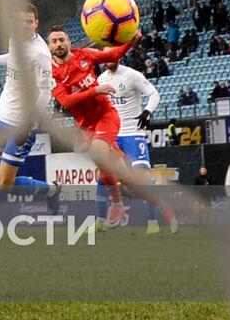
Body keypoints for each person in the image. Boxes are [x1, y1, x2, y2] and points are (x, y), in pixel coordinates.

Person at [48, 28, 177, 234]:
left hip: (106, 116)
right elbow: (66, 101)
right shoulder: (51, 74)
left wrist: (131, 42)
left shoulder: (84, 56)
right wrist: (95, 90)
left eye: (62, 39)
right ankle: (162, 207)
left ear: (69, 42)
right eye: (54, 41)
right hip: (86, 125)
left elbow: (112, 55)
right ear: (49, 47)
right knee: (127, 179)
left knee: (100, 155)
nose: (58, 44)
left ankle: (117, 204)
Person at [0, 4, 60, 213]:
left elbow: (45, 92)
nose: (24, 25)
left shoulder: (41, 54)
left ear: (36, 23)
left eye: (29, 21)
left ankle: (51, 190)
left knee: (3, 183)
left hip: (20, 126)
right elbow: (13, 59)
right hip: (0, 118)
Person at [96, 60, 163, 234]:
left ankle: (153, 223)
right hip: (112, 134)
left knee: (142, 178)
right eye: (106, 55)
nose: (109, 59)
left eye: (113, 54)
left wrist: (147, 112)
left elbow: (154, 94)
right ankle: (99, 221)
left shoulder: (132, 75)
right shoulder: (101, 79)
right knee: (102, 174)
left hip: (134, 133)